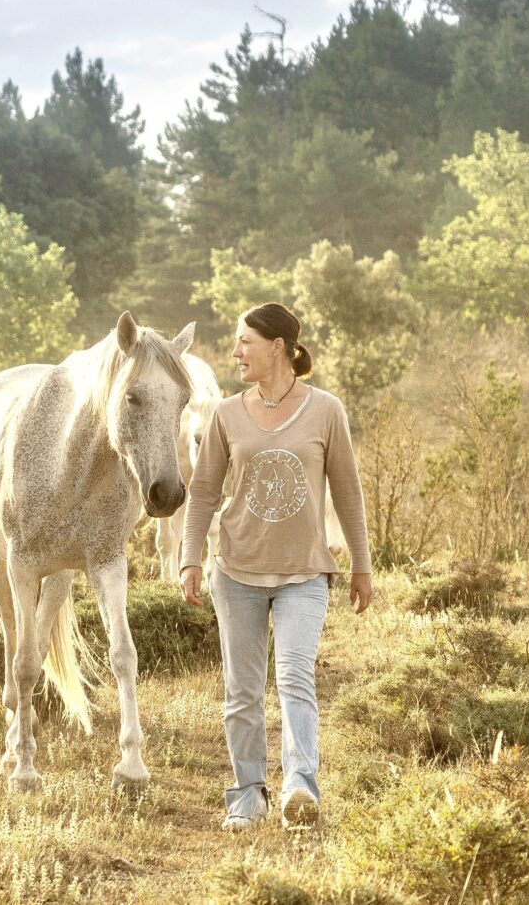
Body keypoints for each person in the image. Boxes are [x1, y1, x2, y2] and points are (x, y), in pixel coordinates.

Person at [178, 301, 374, 831]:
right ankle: (246, 795)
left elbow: (348, 493)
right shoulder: (225, 413)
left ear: (277, 347)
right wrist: (189, 558)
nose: (236, 351)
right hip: (236, 572)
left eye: (245, 341)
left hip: (306, 574)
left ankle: (299, 789)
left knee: (293, 677)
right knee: (242, 691)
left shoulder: (326, 409)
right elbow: (201, 494)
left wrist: (362, 564)